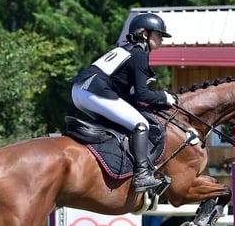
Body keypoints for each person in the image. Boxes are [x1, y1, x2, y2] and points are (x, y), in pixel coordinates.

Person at [69, 12, 177, 192]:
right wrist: (164, 97)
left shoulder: (127, 49)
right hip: (94, 91)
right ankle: (142, 175)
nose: (161, 40)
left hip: (80, 91)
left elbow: (130, 97)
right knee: (141, 124)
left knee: (122, 122)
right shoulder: (138, 53)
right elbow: (142, 95)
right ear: (144, 34)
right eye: (158, 35)